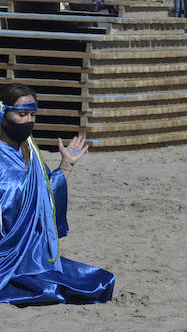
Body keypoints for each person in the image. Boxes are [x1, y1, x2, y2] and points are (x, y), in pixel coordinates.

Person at [0, 84, 113, 305]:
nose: (29, 121)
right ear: (3, 113)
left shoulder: (29, 151)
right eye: (22, 114)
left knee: (101, 280)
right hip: (6, 252)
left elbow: (43, 194)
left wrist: (66, 165)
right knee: (51, 290)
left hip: (30, 253)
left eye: (33, 115)